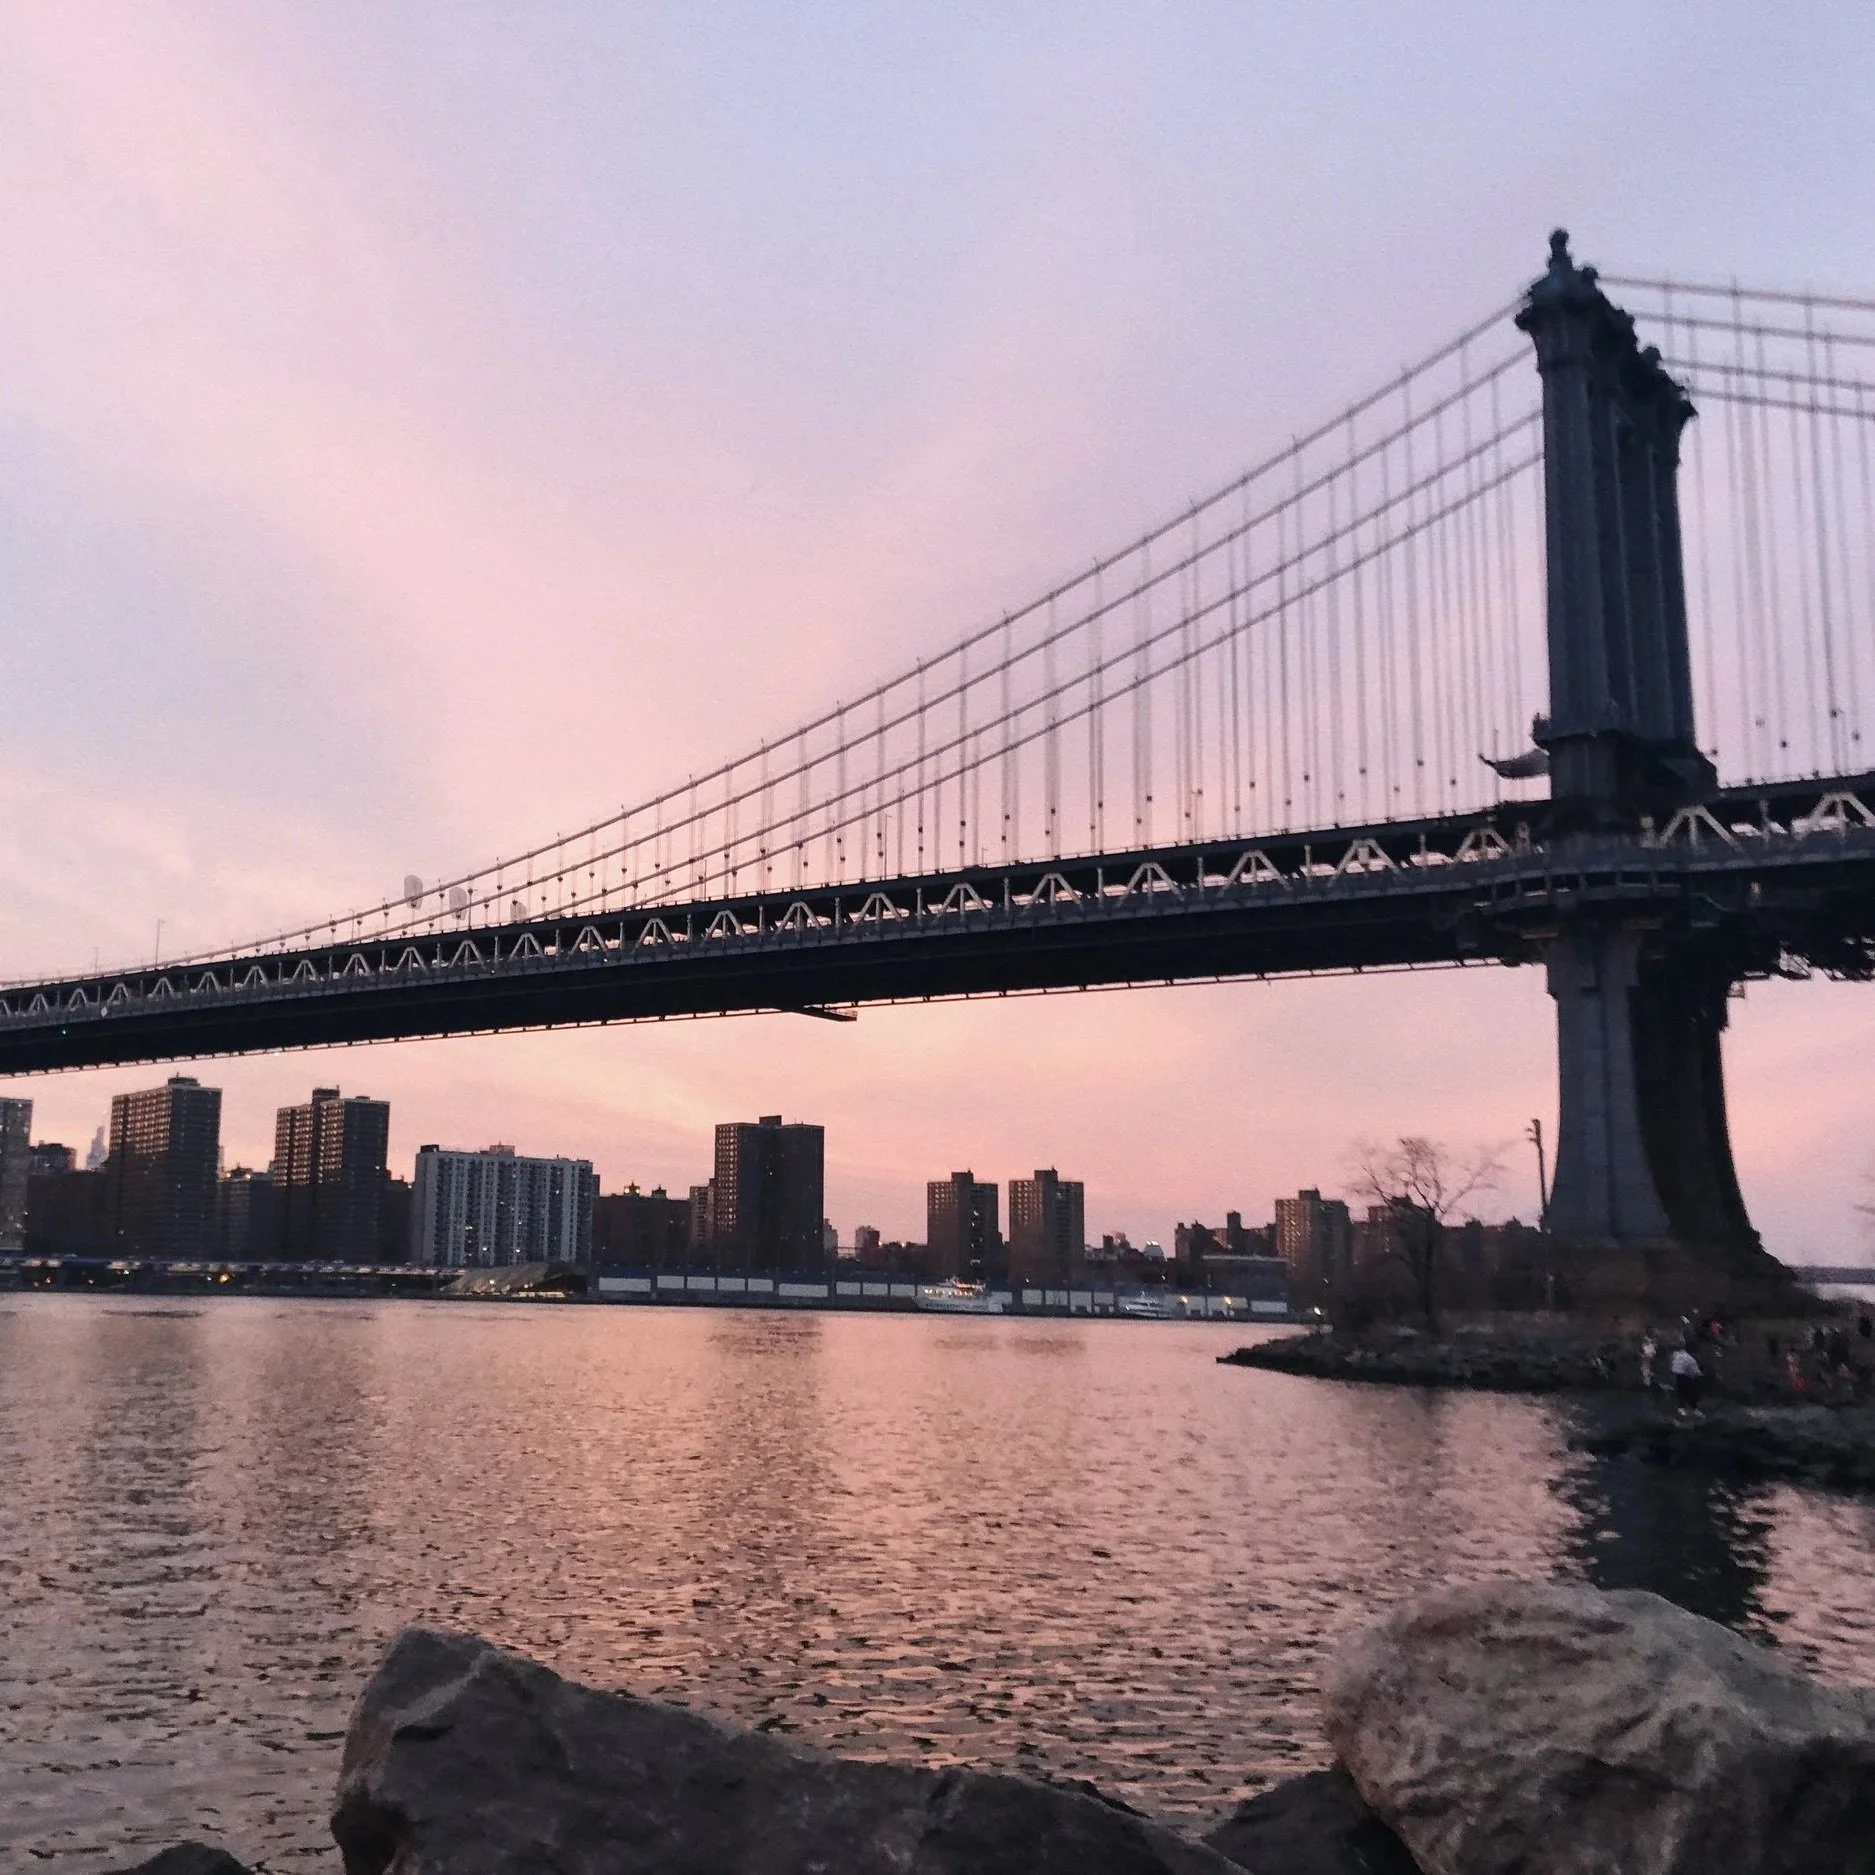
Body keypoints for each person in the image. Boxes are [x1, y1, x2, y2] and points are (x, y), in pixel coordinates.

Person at [1670, 1343, 1704, 1415]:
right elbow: (1696, 1374)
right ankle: (1692, 1407)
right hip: (1680, 1382)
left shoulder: (1674, 1354)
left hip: (1671, 1379)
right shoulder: (1689, 1359)